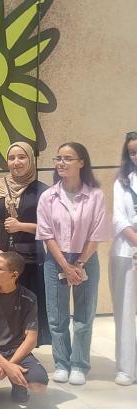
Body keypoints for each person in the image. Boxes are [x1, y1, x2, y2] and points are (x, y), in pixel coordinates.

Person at [37, 142, 111, 386]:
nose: (61, 163)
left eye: (68, 158)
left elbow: (97, 234)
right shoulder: (48, 196)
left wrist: (78, 263)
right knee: (57, 317)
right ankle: (61, 363)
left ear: (81, 162)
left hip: (85, 259)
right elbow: (47, 235)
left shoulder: (95, 195)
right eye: (58, 158)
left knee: (84, 316)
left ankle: (79, 364)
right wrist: (65, 265)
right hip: (55, 260)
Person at [0, 142, 50, 346]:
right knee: (0, 303)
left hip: (30, 260)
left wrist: (21, 226)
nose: (16, 162)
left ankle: (25, 347)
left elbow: (50, 228)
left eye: (22, 157)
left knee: (26, 305)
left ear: (31, 160)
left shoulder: (43, 191)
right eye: (11, 158)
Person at [0, 252, 49, 403]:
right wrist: (5, 364)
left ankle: (19, 386)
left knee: (39, 385)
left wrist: (9, 365)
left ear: (14, 274)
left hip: (16, 350)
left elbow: (31, 339)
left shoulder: (28, 298)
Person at [110, 132, 137, 386]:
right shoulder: (122, 182)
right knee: (125, 311)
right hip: (127, 252)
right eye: (132, 152)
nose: (136, 156)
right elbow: (119, 218)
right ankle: (127, 368)